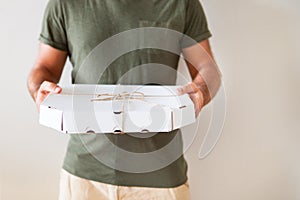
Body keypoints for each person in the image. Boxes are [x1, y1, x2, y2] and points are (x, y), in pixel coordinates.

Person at [27, 0, 222, 199]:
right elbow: (45, 68)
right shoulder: (65, 4)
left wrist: (201, 89)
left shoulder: (182, 4)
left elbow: (207, 68)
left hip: (160, 179)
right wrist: (39, 89)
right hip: (84, 177)